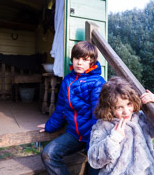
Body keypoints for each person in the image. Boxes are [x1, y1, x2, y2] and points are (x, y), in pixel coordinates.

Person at [37, 41, 106, 175]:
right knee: (48, 154)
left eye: (85, 60)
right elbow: (61, 109)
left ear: (92, 62)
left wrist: (92, 143)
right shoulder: (67, 80)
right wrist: (49, 126)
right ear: (72, 59)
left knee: (93, 170)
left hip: (94, 137)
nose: (79, 63)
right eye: (76, 58)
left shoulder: (98, 82)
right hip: (74, 134)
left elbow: (97, 114)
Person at [88, 76, 154, 175]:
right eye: (119, 107)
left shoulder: (140, 118)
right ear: (109, 108)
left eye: (129, 104)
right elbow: (94, 160)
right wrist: (113, 139)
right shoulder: (102, 126)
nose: (126, 111)